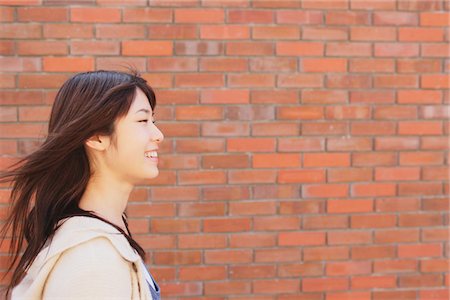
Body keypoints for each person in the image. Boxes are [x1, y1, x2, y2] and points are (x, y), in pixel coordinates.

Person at [0, 70, 164, 299]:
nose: (158, 135)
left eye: (153, 121)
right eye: (142, 120)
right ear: (96, 137)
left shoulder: (102, 234)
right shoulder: (93, 260)